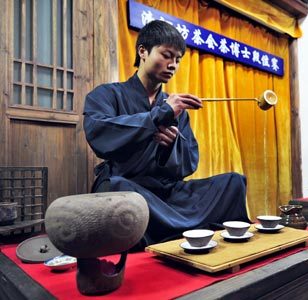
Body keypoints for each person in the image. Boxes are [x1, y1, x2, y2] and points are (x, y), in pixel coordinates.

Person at [83, 20, 250, 248]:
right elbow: (100, 133)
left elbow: (189, 164)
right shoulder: (108, 94)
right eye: (167, 55)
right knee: (118, 191)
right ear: (143, 51)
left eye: (178, 60)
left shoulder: (175, 108)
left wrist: (168, 148)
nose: (173, 65)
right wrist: (157, 117)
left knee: (232, 182)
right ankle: (180, 235)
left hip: (166, 193)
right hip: (132, 186)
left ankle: (174, 234)